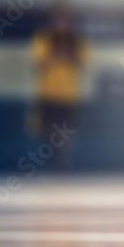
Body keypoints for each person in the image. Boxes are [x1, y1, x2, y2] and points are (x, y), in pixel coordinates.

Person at [30, 9, 88, 169]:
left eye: (65, 22)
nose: (61, 26)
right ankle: (47, 157)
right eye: (58, 22)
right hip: (47, 92)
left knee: (66, 129)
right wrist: (59, 55)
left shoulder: (77, 41)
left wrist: (64, 56)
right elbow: (38, 61)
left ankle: (63, 160)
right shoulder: (44, 39)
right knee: (46, 127)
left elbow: (83, 62)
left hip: (69, 94)